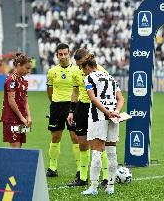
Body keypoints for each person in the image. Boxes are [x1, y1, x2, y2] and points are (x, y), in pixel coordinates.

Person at [80, 54, 124, 195]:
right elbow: (121, 99)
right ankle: (110, 187)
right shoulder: (111, 77)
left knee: (97, 152)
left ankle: (93, 187)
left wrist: (106, 112)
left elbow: (92, 99)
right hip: (113, 116)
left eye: (83, 70)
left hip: (98, 115)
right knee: (111, 152)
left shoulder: (89, 78)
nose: (83, 73)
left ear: (88, 67)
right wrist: (115, 111)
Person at [67, 48, 109, 187]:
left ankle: (106, 177)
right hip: (82, 108)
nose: (80, 68)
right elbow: (75, 92)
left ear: (87, 59)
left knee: (98, 144)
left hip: (97, 108)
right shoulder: (75, 72)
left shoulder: (101, 71)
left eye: (81, 64)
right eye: (78, 65)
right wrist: (71, 111)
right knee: (82, 143)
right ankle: (83, 178)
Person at [46, 43, 80, 177]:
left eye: (65, 53)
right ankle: (52, 168)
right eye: (60, 54)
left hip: (73, 107)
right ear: (57, 55)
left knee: (75, 137)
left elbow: (78, 90)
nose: (63, 56)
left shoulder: (77, 70)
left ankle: (79, 169)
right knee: (55, 137)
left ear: (69, 53)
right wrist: (54, 103)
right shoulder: (52, 71)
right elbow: (49, 91)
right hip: (57, 106)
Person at [1, 53, 32, 148]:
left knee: (20, 148)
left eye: (30, 68)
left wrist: (29, 117)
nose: (29, 71)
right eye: (27, 68)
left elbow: (25, 100)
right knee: (15, 151)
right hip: (12, 119)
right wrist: (21, 117)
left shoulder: (23, 81)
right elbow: (11, 101)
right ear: (19, 65)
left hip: (22, 118)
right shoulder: (11, 80)